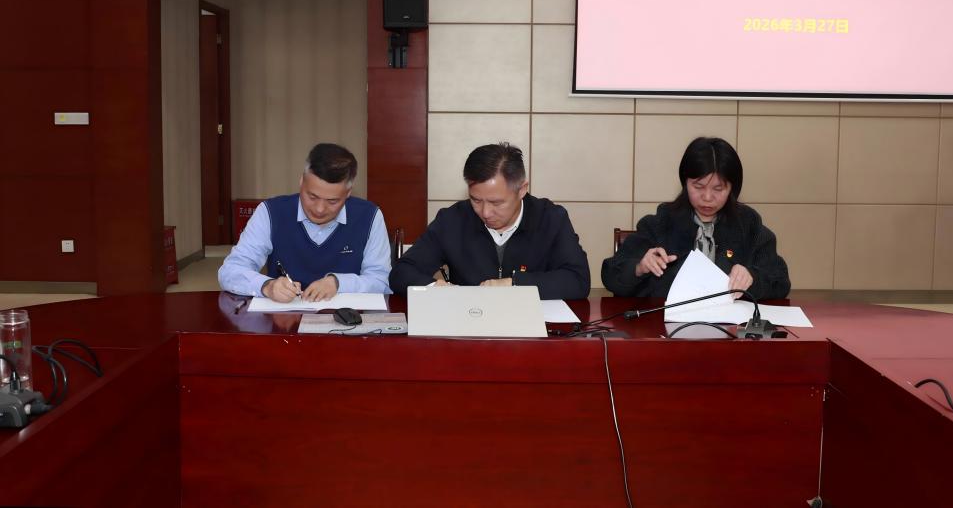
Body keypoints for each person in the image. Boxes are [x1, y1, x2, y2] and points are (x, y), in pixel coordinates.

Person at [389, 143, 590, 300]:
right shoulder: (453, 220)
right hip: (469, 326)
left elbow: (577, 280)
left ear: (521, 189)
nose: (485, 212)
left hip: (532, 329)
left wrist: (514, 284)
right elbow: (401, 272)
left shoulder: (551, 219)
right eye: (476, 200)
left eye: (496, 202)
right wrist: (434, 287)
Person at [602, 137, 790, 300]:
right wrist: (639, 267)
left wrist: (752, 277)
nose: (707, 197)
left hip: (730, 326)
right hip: (668, 327)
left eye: (718, 189)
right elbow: (611, 274)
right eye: (698, 187)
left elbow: (781, 281)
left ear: (732, 188)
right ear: (685, 183)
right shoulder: (662, 222)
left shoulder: (748, 224)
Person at [218, 143, 392, 302]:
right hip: (284, 320)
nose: (319, 209)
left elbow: (380, 281)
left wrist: (338, 283)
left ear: (348, 193)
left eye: (332, 201)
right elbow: (230, 271)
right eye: (312, 196)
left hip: (348, 321)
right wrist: (267, 286)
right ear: (301, 181)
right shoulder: (270, 212)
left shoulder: (369, 216)